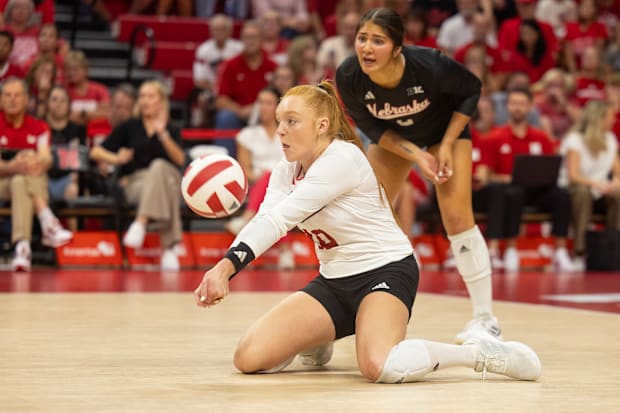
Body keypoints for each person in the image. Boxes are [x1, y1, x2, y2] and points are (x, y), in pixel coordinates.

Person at [193, 81, 542, 383]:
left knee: (379, 366)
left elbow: (279, 221)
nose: (281, 130)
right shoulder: (287, 169)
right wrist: (226, 265)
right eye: (279, 121)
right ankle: (318, 336)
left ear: (321, 125)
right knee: (248, 359)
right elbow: (265, 217)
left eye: (292, 121)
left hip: (385, 272)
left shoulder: (342, 158)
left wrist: (225, 268)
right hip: (333, 281)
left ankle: (477, 353)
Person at [336, 7, 500, 343]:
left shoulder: (430, 65)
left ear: (398, 48)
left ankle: (486, 320)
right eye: (362, 38)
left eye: (378, 41)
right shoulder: (349, 75)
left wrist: (446, 144)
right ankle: (339, 317)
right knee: (360, 215)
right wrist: (417, 155)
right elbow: (370, 127)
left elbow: (471, 89)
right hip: (396, 139)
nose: (367, 48)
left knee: (457, 217)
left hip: (444, 133)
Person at [89, 80, 186, 271]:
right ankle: (170, 247)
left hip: (168, 179)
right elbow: (95, 152)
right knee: (169, 189)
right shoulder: (130, 126)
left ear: (161, 101)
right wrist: (116, 158)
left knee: (160, 168)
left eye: (151, 96)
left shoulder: (171, 128)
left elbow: (181, 160)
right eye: (142, 96)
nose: (145, 101)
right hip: (137, 184)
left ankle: (140, 222)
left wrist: (162, 134)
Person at [0, 77, 73, 271]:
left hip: (20, 181)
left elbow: (47, 159)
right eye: (7, 95)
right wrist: (13, 166)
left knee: (20, 181)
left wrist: (32, 161)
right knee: (22, 173)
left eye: (17, 95)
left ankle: (22, 247)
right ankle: (47, 219)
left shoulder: (39, 127)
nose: (12, 100)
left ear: (26, 100)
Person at [559, 100, 620, 271]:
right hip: (574, 188)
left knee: (618, 194)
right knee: (583, 193)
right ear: (598, 119)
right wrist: (597, 183)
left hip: (599, 189)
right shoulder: (575, 139)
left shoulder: (610, 139)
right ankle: (580, 252)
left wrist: (614, 183)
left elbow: (617, 171)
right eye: (610, 117)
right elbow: (574, 176)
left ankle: (612, 248)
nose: (614, 121)